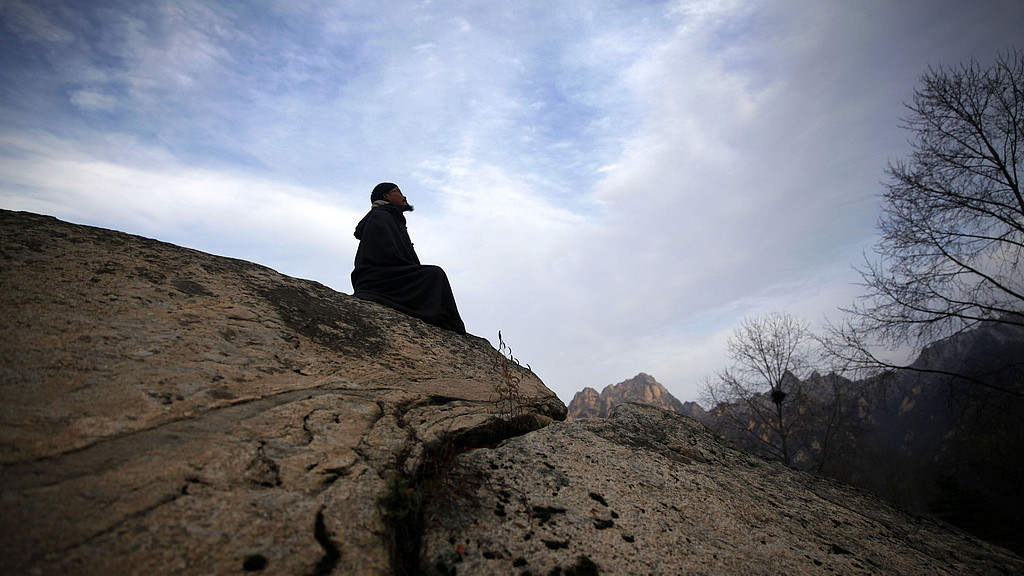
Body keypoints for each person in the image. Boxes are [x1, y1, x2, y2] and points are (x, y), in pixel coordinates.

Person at [351, 182, 467, 334]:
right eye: (398, 191)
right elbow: (386, 253)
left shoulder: (391, 217)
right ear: (386, 196)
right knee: (434, 274)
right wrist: (410, 267)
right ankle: (447, 323)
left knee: (431, 274)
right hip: (378, 276)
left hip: (387, 272)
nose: (404, 196)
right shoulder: (381, 216)